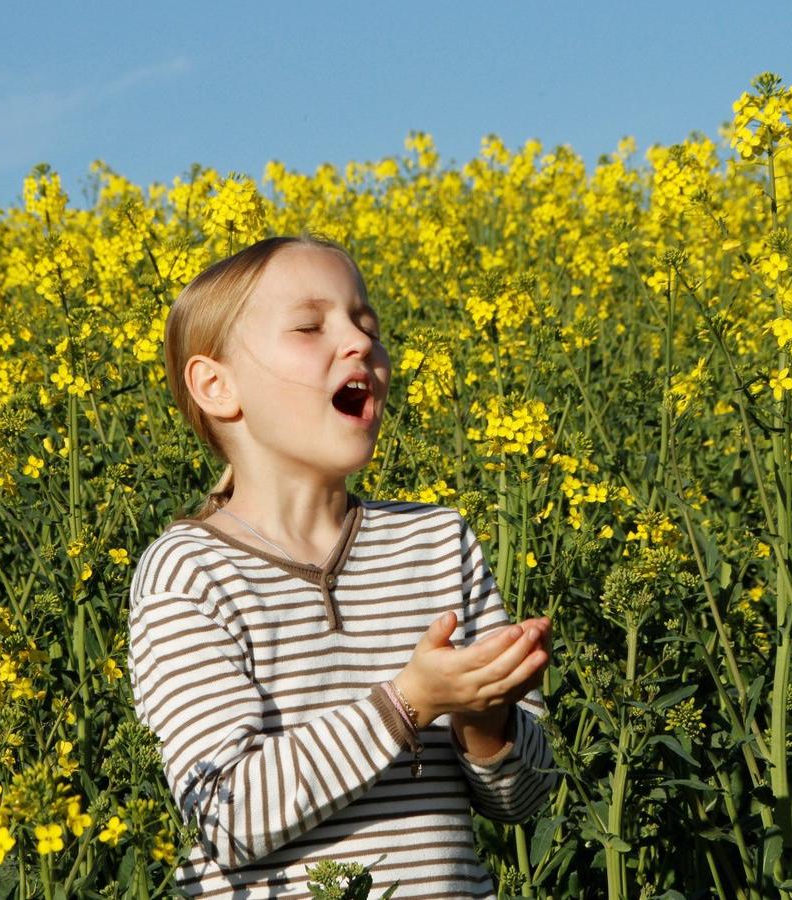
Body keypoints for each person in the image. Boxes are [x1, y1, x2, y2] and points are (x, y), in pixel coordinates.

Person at [128, 233, 558, 898]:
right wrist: (408, 703)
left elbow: (525, 799)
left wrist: (486, 720)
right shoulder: (189, 572)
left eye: (367, 325)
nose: (358, 343)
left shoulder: (439, 542)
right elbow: (229, 816)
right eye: (309, 326)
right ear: (217, 386)